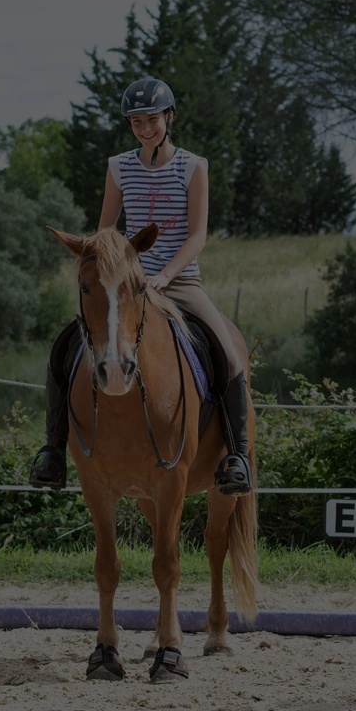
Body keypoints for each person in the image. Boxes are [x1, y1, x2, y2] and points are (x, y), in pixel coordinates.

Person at [29, 77, 253, 494]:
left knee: (229, 354)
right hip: (125, 285)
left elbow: (197, 235)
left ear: (169, 117)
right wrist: (115, 271)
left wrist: (164, 276)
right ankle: (53, 453)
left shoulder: (193, 166)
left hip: (179, 281)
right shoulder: (119, 166)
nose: (145, 128)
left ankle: (236, 456)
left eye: (151, 119)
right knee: (64, 349)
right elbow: (105, 232)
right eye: (136, 122)